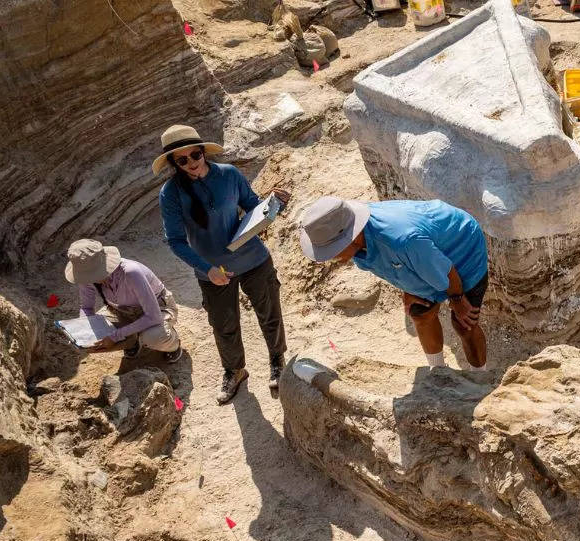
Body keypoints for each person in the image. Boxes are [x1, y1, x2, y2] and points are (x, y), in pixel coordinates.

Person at [153, 124, 292, 404]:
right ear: (173, 163)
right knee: (223, 324)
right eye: (182, 160)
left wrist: (275, 205)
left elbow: (252, 205)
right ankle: (234, 370)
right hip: (213, 271)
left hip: (254, 258)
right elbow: (176, 241)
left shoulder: (229, 174)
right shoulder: (170, 194)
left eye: (194, 155)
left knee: (270, 314)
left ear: (203, 151)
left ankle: (277, 361)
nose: (191, 163)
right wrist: (207, 269)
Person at [296, 196, 489, 370]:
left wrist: (457, 299)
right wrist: (409, 288)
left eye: (332, 251)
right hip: (425, 256)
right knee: (420, 313)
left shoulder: (402, 240)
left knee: (464, 324)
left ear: (351, 239)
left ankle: (480, 377)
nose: (331, 257)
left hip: (461, 250)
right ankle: (438, 371)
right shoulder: (357, 234)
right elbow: (393, 263)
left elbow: (447, 272)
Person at [65, 239, 183, 362]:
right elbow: (86, 308)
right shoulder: (85, 276)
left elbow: (153, 316)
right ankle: (133, 341)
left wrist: (115, 337)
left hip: (158, 309)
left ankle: (172, 345)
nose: (90, 278)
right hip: (122, 311)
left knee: (154, 336)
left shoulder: (131, 272)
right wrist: (82, 332)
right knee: (97, 333)